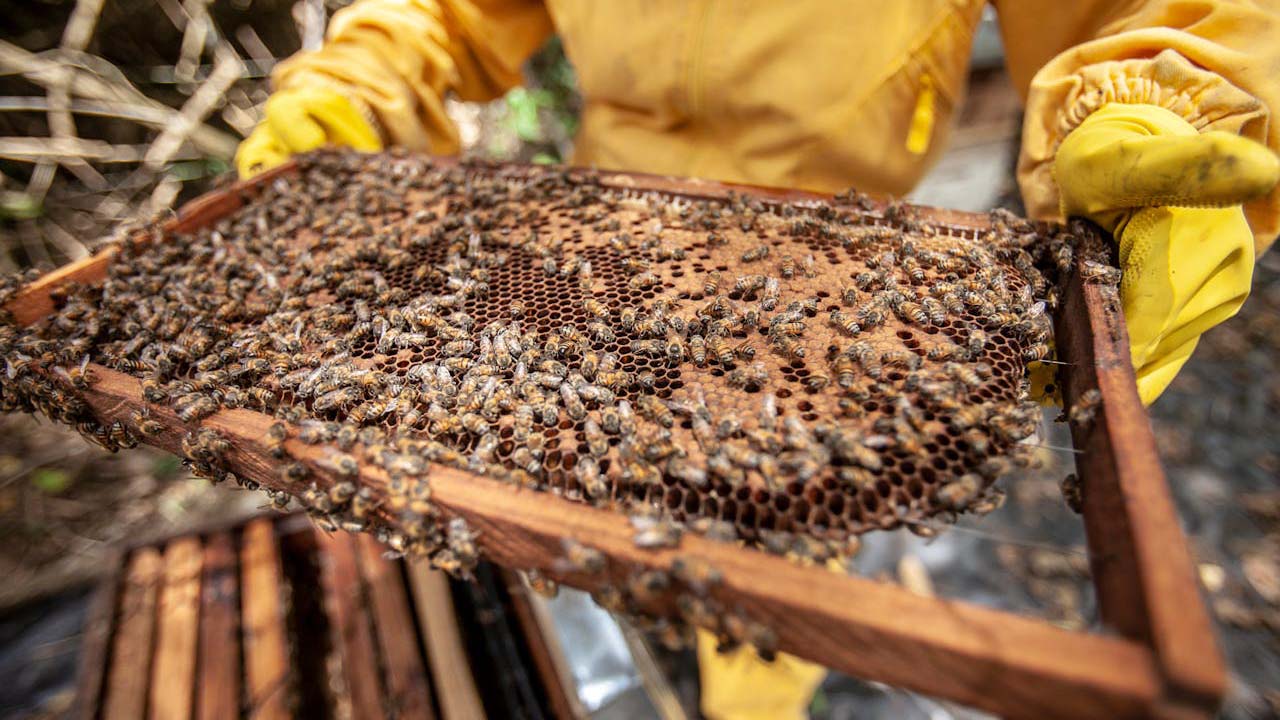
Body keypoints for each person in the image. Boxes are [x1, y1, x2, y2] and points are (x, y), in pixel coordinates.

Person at [236, 2, 1280, 718]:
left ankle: (750, 685)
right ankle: (632, 593)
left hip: (827, 270)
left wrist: (1169, 95)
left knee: (778, 543)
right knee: (567, 474)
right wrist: (364, 82)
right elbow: (452, 10)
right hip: (598, 244)